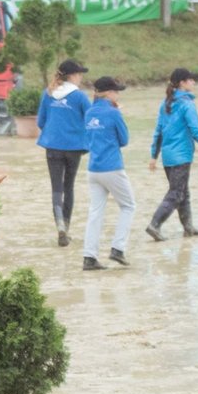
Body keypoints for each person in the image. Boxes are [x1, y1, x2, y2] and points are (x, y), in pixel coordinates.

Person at [145, 67, 198, 241]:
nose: (194, 82)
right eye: (191, 79)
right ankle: (154, 225)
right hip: (181, 156)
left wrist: (153, 156)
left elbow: (158, 132)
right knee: (176, 193)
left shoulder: (165, 103)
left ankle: (188, 228)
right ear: (182, 83)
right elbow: (195, 130)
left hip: (168, 156)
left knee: (183, 192)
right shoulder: (187, 104)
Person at [81, 76, 135, 271]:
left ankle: (89, 257)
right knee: (128, 206)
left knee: (95, 213)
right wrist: (117, 114)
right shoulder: (113, 113)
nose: (118, 94)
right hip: (112, 167)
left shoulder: (88, 112)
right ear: (109, 93)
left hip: (93, 169)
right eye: (116, 91)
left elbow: (87, 141)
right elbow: (124, 140)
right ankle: (117, 248)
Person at [35, 58, 91, 247]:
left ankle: (59, 225)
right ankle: (65, 228)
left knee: (56, 189)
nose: (81, 77)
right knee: (69, 187)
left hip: (52, 147)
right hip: (74, 148)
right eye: (79, 74)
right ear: (72, 76)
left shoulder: (48, 93)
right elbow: (90, 121)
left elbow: (41, 122)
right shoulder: (80, 97)